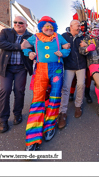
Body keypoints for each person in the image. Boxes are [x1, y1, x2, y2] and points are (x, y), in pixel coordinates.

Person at [21, 16, 71, 151]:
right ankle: (32, 138)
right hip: (41, 69)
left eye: (51, 26)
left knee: (55, 98)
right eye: (46, 26)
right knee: (37, 99)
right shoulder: (35, 37)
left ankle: (49, 127)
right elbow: (24, 46)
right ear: (41, 27)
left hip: (57, 70)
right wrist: (29, 52)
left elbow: (68, 48)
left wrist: (63, 52)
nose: (49, 28)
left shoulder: (58, 36)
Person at [0, 16, 34, 133]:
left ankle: (17, 113)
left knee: (19, 91)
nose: (17, 24)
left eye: (20, 23)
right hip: (6, 68)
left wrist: (32, 53)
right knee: (5, 91)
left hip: (21, 68)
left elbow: (36, 49)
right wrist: (19, 47)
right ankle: (3, 119)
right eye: (15, 22)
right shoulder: (5, 32)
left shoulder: (31, 36)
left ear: (26, 25)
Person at [57, 19, 88, 129]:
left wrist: (86, 46)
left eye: (80, 25)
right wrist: (62, 48)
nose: (80, 27)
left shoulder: (83, 37)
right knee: (65, 88)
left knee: (81, 85)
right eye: (78, 25)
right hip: (69, 66)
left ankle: (78, 105)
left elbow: (88, 49)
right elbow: (57, 47)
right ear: (71, 26)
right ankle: (63, 112)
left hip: (81, 66)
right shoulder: (63, 36)